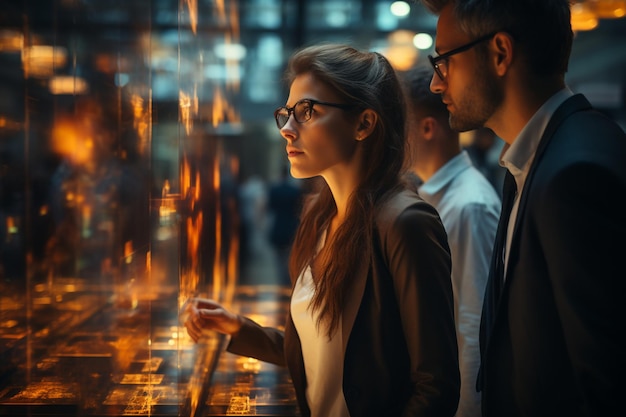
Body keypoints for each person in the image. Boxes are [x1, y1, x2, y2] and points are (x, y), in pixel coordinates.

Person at [183, 43, 460, 417]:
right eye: (286, 113)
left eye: (307, 111)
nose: (287, 129)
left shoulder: (405, 223)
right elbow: (327, 356)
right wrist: (238, 328)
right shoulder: (320, 217)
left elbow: (435, 387)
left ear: (364, 123)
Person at [417, 1, 626, 416]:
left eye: (444, 62)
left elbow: (606, 385)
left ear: (499, 53)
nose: (437, 85)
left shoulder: (575, 172)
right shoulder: (532, 159)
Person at [402, 64, 500, 417]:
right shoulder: (432, 197)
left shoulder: (470, 205)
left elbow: (475, 326)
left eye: (400, 127)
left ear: (427, 128)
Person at [267, 164, 304, 287]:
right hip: (291, 227)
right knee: (289, 258)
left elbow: (270, 207)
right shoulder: (295, 191)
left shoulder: (274, 190)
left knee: (278, 258)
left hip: (278, 226)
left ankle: (281, 282)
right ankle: (287, 281)